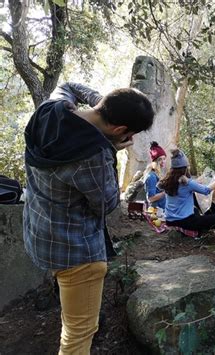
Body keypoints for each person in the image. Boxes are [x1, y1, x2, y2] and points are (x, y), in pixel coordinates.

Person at [23, 82, 154, 354]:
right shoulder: (94, 155)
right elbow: (106, 204)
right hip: (77, 254)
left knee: (72, 318)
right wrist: (112, 150)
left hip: (41, 236)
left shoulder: (49, 111)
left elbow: (69, 85)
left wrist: (101, 104)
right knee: (78, 334)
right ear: (120, 131)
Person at [159, 149, 215, 234]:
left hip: (169, 219)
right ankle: (199, 230)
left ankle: (210, 211)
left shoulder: (168, 180)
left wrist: (201, 178)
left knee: (195, 210)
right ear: (185, 168)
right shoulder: (187, 183)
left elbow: (189, 185)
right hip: (184, 221)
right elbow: (206, 190)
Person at [144, 141, 167, 210]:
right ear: (155, 161)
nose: (163, 161)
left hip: (162, 209)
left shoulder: (157, 174)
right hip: (156, 212)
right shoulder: (151, 176)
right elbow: (150, 198)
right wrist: (166, 192)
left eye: (164, 159)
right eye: (160, 159)